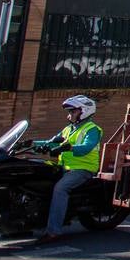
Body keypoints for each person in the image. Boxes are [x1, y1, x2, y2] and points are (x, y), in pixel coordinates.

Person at [31, 95, 102, 244]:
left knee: (60, 189)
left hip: (83, 169)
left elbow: (86, 148)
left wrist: (68, 147)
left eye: (72, 111)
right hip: (65, 167)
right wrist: (31, 144)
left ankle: (53, 231)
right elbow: (51, 142)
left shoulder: (92, 130)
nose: (69, 115)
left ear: (84, 111)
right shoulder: (69, 129)